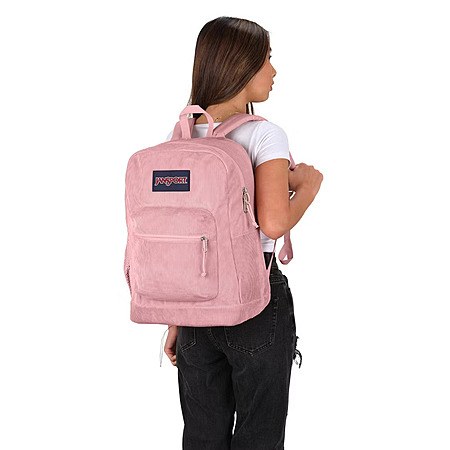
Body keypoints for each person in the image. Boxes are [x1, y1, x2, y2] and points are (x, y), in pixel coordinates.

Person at [163, 16, 323, 450]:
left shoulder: (179, 137)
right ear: (242, 64)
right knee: (259, 437)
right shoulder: (265, 135)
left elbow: (184, 240)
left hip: (194, 310)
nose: (274, 70)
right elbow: (273, 223)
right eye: (267, 58)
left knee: (202, 438)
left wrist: (178, 318)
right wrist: (308, 187)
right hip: (255, 302)